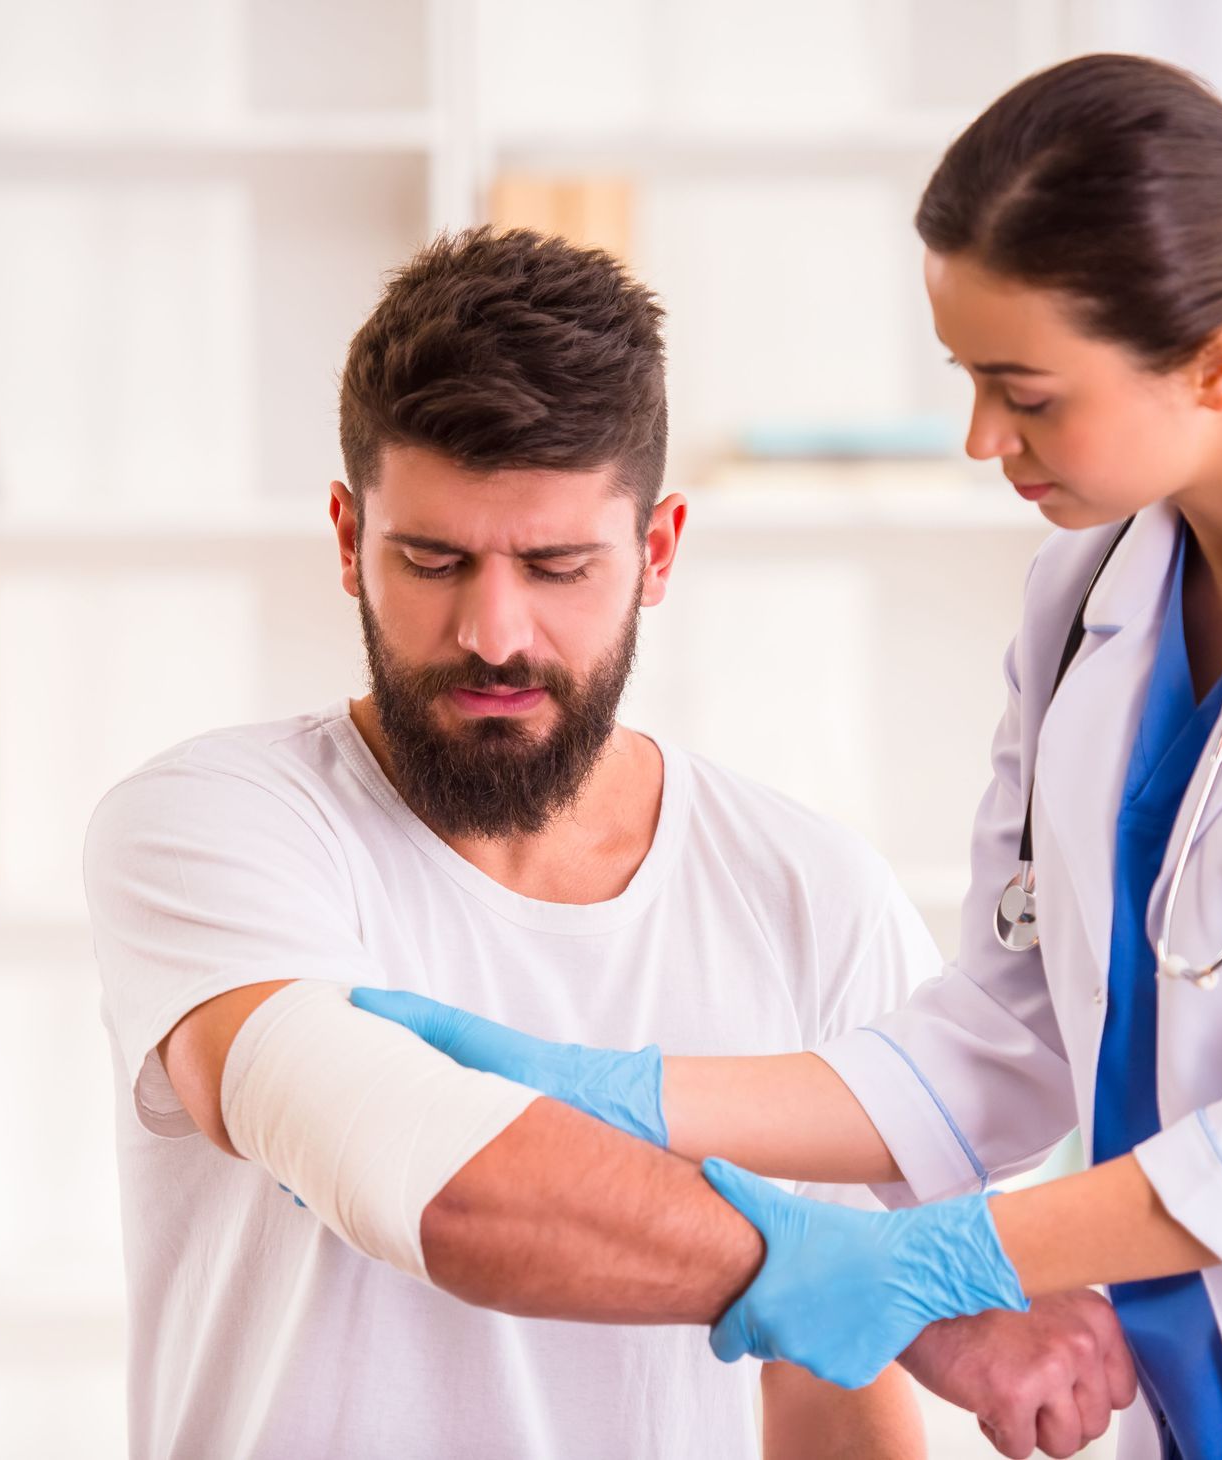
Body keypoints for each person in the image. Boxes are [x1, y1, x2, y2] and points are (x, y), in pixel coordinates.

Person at [363, 54, 1222, 1460]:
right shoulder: (1085, 601)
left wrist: (943, 1266)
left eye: (1027, 393)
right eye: (969, 379)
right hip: (1219, 1400)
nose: (984, 439)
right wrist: (620, 1090)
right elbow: (994, 1042)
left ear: (1218, 361)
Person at [81, 226, 1136, 1460]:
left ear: (659, 550)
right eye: (431, 558)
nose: (492, 629)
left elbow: (825, 1391)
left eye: (557, 563)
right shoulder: (216, 824)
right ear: (345, 536)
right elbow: (413, 1165)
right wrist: (897, 1297)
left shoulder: (806, 891)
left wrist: (880, 1298)